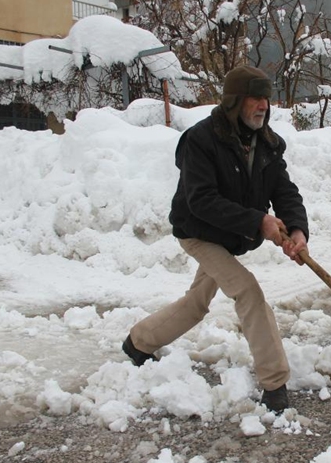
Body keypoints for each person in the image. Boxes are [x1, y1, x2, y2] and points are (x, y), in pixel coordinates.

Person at [122, 65, 309, 413]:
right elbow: (201, 200)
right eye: (255, 97)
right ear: (234, 101)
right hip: (199, 231)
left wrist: (296, 229)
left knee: (196, 303)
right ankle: (275, 383)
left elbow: (284, 191)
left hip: (232, 235)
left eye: (266, 98)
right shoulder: (201, 140)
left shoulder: (267, 144)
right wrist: (259, 222)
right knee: (248, 291)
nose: (263, 105)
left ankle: (139, 343)